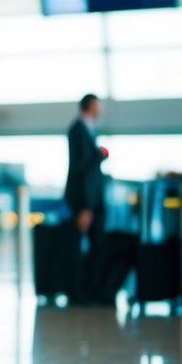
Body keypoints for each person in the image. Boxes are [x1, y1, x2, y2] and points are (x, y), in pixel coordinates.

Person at [65, 94, 108, 305]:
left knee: (95, 245)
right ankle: (79, 293)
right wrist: (85, 206)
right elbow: (80, 169)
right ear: (91, 105)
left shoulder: (86, 128)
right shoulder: (78, 130)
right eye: (98, 105)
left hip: (91, 199)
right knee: (82, 246)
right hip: (84, 200)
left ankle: (88, 291)